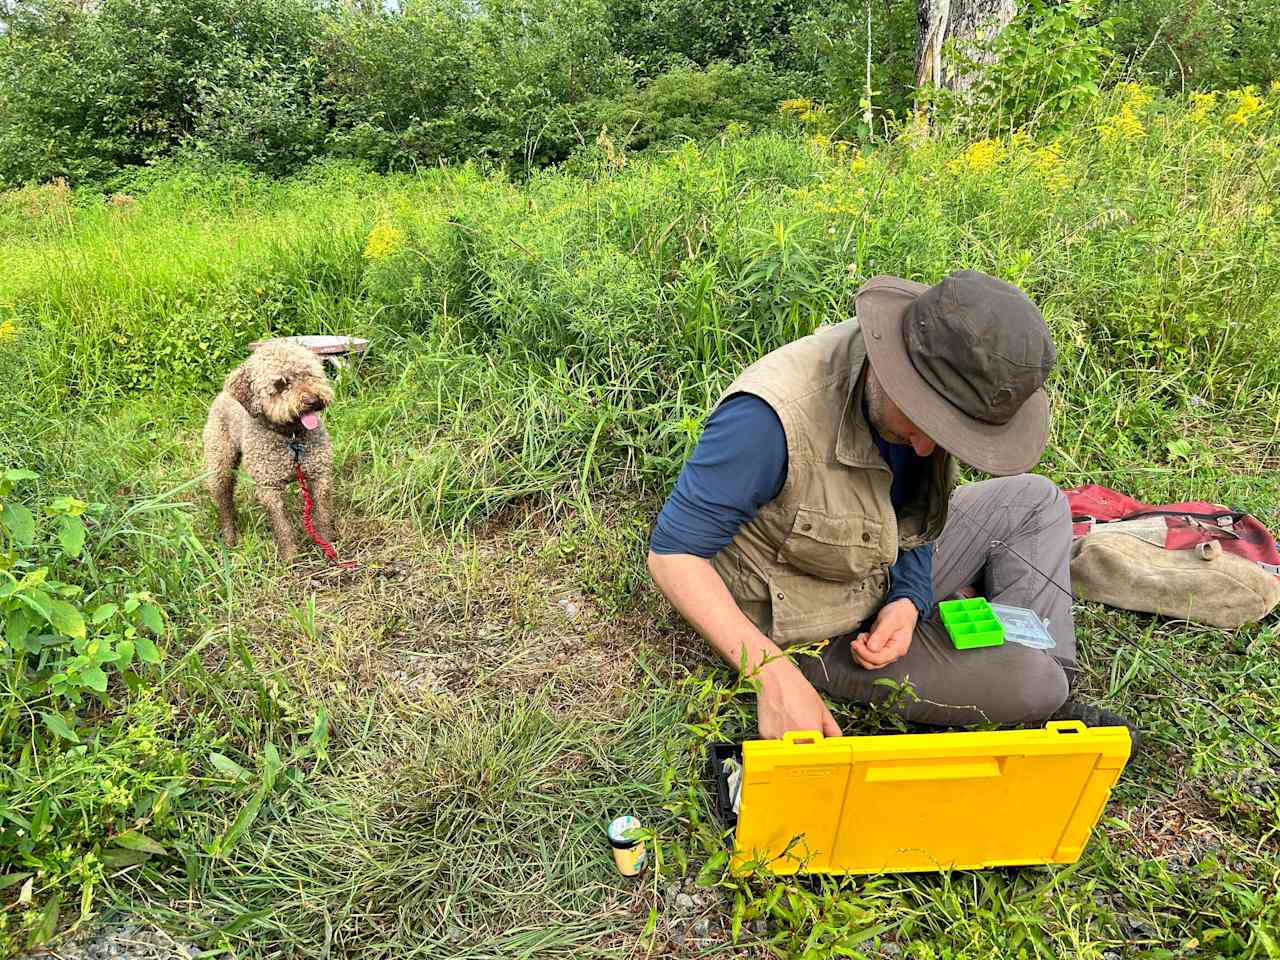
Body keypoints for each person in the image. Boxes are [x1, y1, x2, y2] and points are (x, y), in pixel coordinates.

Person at [647, 270, 1138, 746]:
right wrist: (770, 671)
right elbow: (673, 555)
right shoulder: (768, 419)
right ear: (893, 372)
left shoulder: (928, 389)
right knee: (1035, 683)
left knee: (1033, 501)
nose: (927, 449)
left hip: (873, 561)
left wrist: (907, 600)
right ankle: (1032, 688)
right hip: (809, 620)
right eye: (927, 424)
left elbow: (913, 514)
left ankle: (1026, 664)